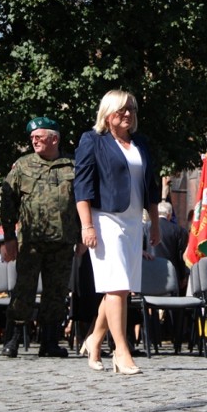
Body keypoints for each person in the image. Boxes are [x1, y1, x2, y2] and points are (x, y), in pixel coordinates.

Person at [75, 90, 161, 374]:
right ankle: (121, 352)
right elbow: (83, 187)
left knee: (120, 288)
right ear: (107, 112)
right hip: (105, 219)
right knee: (117, 286)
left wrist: (156, 224)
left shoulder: (141, 143)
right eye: (121, 110)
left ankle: (95, 338)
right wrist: (87, 225)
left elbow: (152, 185)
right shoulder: (93, 141)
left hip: (135, 221)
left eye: (131, 109)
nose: (127, 114)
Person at [0, 116, 80, 358]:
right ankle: (12, 338)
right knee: (23, 290)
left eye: (39, 137)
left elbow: (83, 202)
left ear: (54, 139)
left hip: (63, 241)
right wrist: (8, 237)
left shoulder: (72, 166)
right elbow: (6, 202)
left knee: (56, 294)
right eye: (32, 138)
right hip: (30, 241)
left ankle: (49, 342)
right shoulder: (22, 166)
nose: (33, 141)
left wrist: (83, 233)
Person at [145, 201, 188, 295]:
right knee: (170, 305)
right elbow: (180, 256)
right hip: (171, 275)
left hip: (148, 272)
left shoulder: (145, 227)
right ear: (169, 215)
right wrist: (182, 276)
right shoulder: (179, 231)